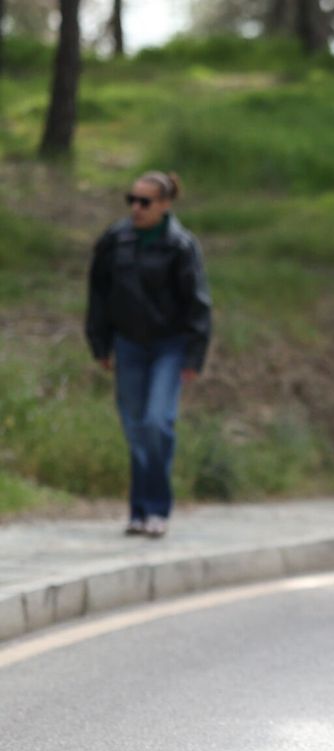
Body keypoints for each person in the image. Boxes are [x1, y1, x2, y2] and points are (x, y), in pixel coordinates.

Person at [86, 170, 212, 539]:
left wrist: (194, 356)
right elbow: (99, 295)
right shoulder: (115, 240)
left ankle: (157, 508)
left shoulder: (181, 246)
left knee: (158, 423)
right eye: (132, 200)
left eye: (145, 202)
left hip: (169, 347)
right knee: (136, 429)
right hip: (129, 345)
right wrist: (100, 344)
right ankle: (138, 512)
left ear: (165, 205)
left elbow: (198, 304)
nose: (136, 208)